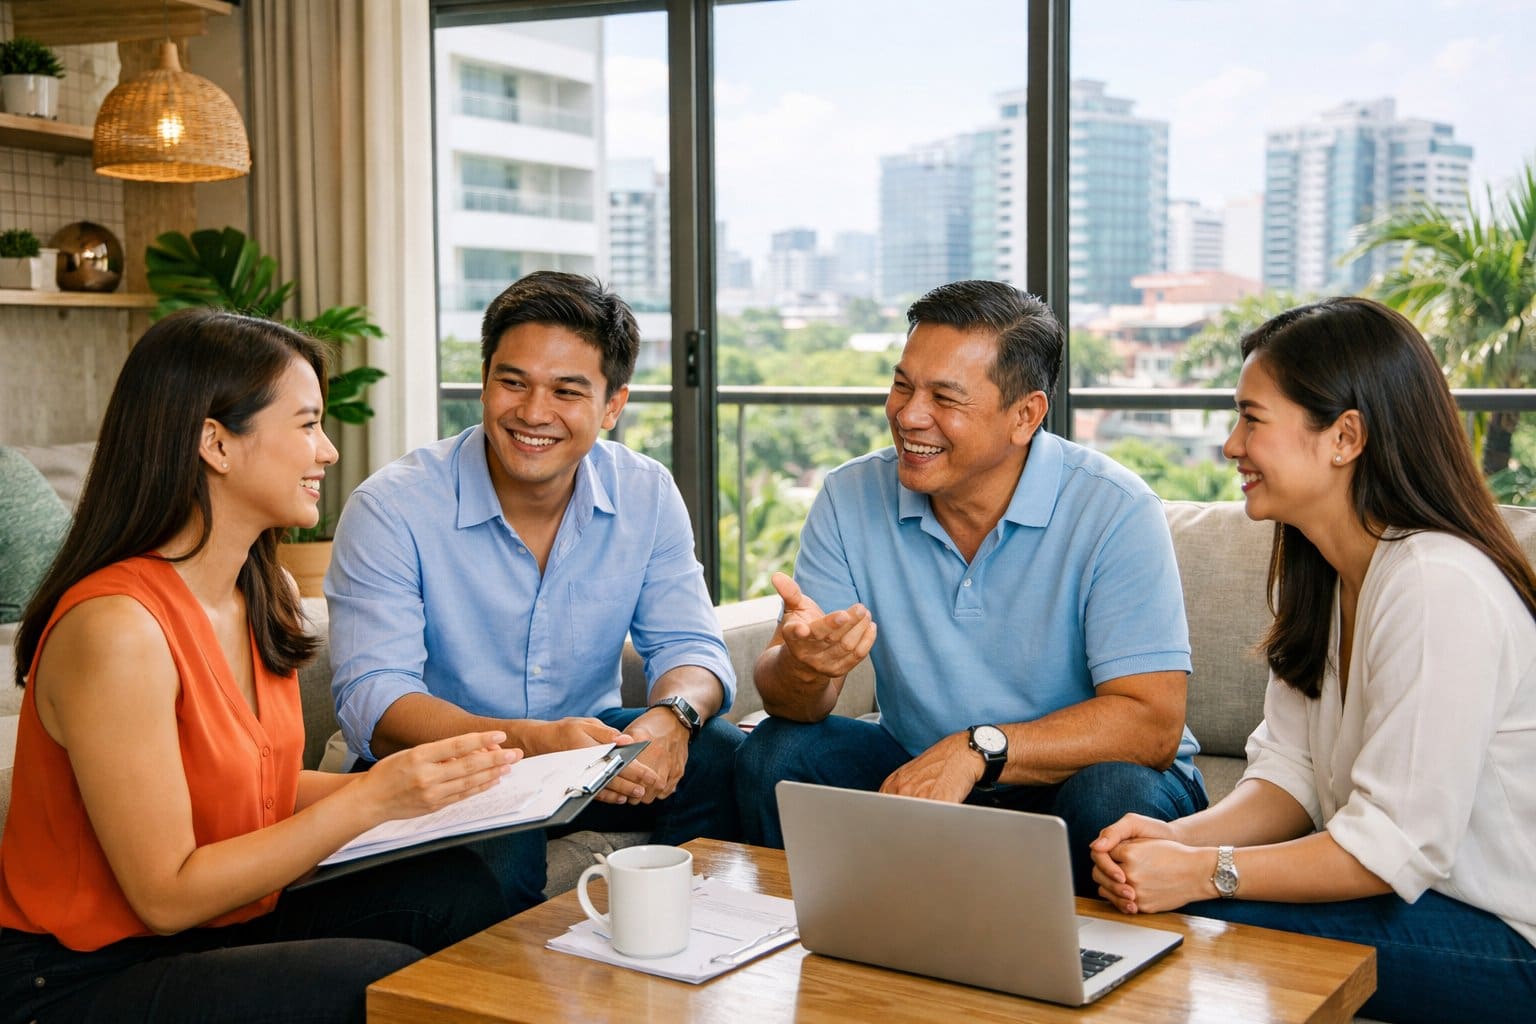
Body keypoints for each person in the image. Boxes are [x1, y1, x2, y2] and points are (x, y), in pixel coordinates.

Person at [0, 310, 516, 1024]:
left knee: (456, 888)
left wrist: (428, 789)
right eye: (307, 425)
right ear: (215, 442)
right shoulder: (116, 630)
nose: (328, 451)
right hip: (78, 979)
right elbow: (167, 895)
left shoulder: (256, 591)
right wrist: (370, 799)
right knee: (373, 981)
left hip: (219, 926)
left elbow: (256, 790)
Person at [1089, 297, 1536, 1023]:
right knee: (1145, 906)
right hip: (1418, 904)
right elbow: (1290, 775)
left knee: (1199, 929)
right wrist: (1174, 839)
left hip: (1506, 939)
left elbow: (1389, 848)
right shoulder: (1327, 574)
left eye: (1252, 419)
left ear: (1344, 437)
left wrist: (1201, 871)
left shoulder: (1436, 582)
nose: (1232, 446)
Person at [736, 279, 1206, 892]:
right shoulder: (851, 496)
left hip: (1077, 780)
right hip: (925, 774)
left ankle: (1082, 976)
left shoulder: (1114, 509)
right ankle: (829, 957)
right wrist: (805, 666)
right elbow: (795, 703)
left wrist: (978, 749)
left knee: (1110, 795)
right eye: (903, 384)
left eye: (944, 397)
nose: (908, 415)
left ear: (1025, 415)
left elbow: (1152, 724)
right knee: (777, 755)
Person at [327, 271, 742, 906]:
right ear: (485, 380)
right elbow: (374, 703)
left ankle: (686, 936)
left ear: (611, 405)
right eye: (512, 381)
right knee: (504, 832)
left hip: (586, 759)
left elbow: (690, 645)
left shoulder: (645, 491)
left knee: (721, 753)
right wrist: (529, 743)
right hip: (448, 767)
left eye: (567, 391)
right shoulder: (393, 507)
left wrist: (671, 717)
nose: (532, 413)